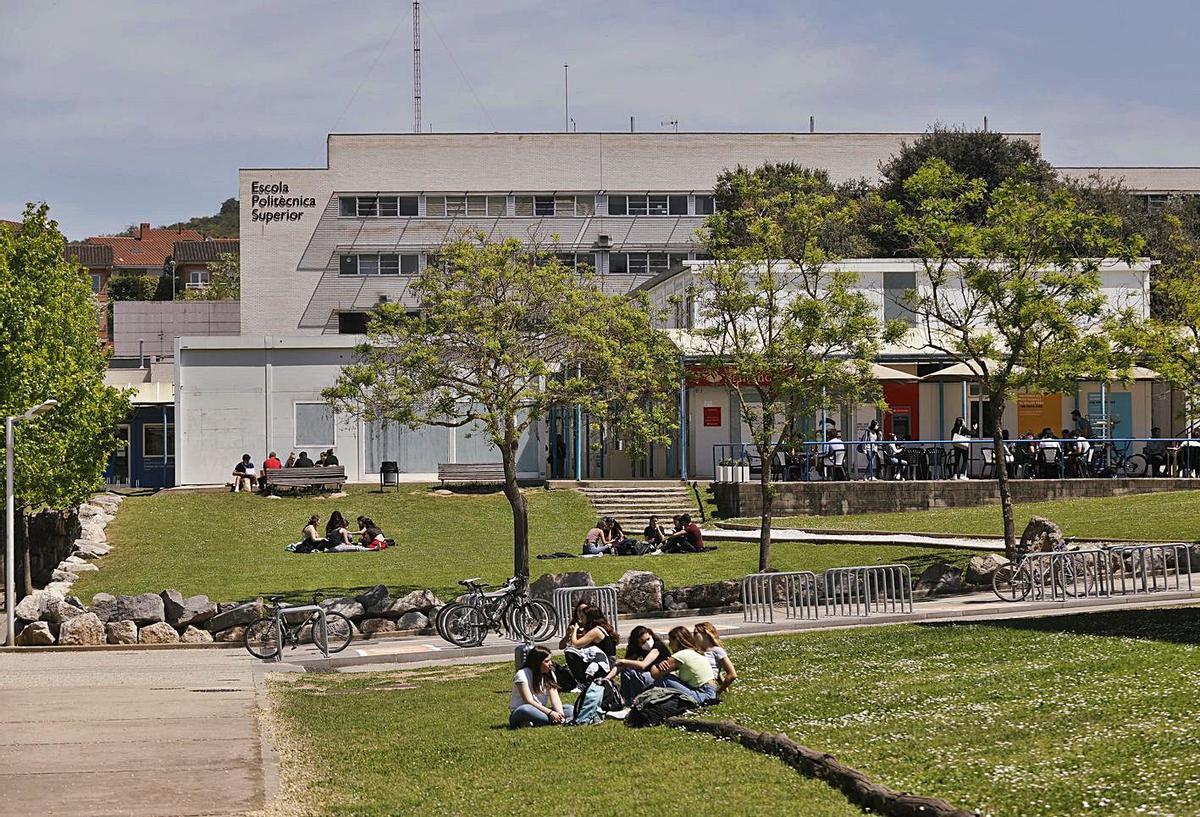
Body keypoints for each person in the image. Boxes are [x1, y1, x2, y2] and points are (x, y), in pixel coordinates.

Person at [650, 626, 718, 706]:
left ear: (677, 641)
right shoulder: (695, 653)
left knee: (665, 678)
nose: (669, 644)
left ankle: (652, 701)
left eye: (670, 641)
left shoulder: (681, 655)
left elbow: (654, 673)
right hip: (711, 693)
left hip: (702, 695)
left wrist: (657, 664)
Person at [509, 646, 573, 728]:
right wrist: (550, 713)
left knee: (569, 709)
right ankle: (549, 721)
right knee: (525, 709)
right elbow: (529, 701)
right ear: (537, 663)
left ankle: (539, 721)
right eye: (546, 661)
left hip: (541, 710)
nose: (550, 663)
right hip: (523, 711)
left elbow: (555, 698)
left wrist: (560, 714)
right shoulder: (522, 675)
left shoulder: (550, 674)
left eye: (550, 660)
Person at [615, 626, 670, 701]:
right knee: (626, 671)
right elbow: (622, 665)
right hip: (650, 675)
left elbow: (643, 665)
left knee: (638, 675)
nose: (647, 643)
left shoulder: (657, 646)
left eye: (648, 639)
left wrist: (624, 661)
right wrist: (607, 677)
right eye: (643, 642)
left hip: (661, 676)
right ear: (638, 644)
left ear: (650, 635)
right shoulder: (641, 649)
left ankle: (635, 700)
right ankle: (625, 699)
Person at [693, 622, 738, 696]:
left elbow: (732, 674)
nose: (693, 637)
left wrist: (719, 692)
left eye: (695, 633)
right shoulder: (696, 652)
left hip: (704, 686)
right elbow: (717, 672)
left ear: (706, 634)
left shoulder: (717, 651)